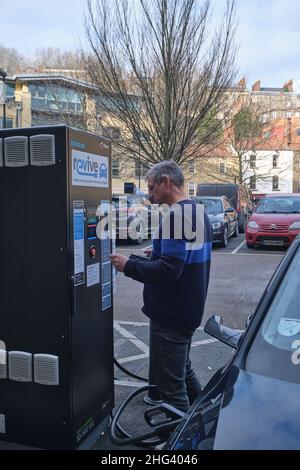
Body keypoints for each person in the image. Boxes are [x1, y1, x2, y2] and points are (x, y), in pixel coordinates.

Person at [110, 160, 212, 413]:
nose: (151, 194)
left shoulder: (176, 216)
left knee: (171, 389)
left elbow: (169, 271)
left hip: (170, 317)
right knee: (183, 372)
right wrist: (158, 250)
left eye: (153, 187)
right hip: (188, 311)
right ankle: (203, 419)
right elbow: (185, 257)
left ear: (167, 182)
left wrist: (128, 266)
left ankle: (177, 446)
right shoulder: (197, 212)